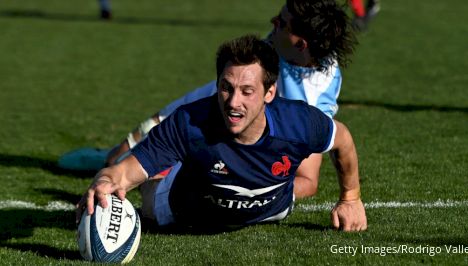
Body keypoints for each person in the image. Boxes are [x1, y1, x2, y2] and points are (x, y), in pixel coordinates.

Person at [59, 0, 358, 201]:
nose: (272, 22)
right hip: (208, 98)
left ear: (300, 44)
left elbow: (308, 179)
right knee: (117, 160)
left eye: (281, 22)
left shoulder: (313, 95)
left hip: (228, 119)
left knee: (159, 176)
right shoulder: (294, 40)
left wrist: (253, 195)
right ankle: (108, 156)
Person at [76, 34, 367, 232]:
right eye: (226, 87)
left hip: (271, 209)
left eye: (247, 91)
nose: (233, 101)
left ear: (269, 93)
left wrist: (351, 198)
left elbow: (342, 139)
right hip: (182, 211)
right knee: (147, 190)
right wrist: (106, 179)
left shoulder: (298, 122)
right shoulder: (189, 123)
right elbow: (124, 172)